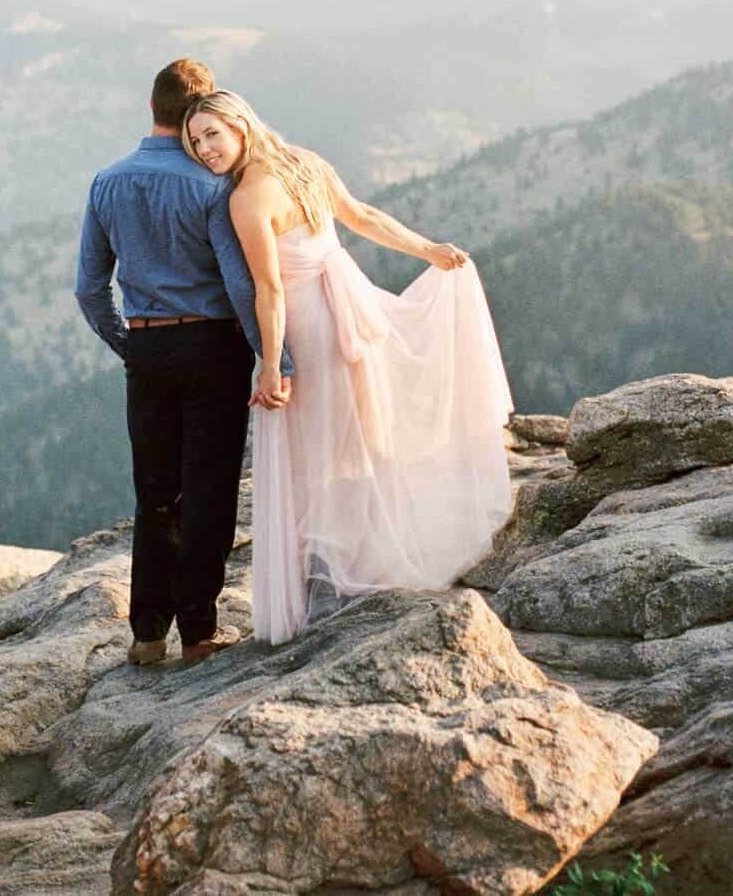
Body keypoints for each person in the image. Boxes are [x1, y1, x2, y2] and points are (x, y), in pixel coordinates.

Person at [182, 90, 513, 645]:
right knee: (353, 439)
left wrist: (270, 363)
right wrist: (427, 249)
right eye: (195, 141)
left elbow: (267, 289)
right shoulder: (305, 162)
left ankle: (333, 582)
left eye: (212, 134)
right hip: (349, 309)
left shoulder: (246, 198)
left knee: (312, 452)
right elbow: (362, 217)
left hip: (311, 325)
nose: (204, 149)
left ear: (240, 125)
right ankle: (365, 560)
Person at [75, 60, 292, 666]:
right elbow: (241, 285)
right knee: (209, 491)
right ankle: (197, 633)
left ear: (152, 106)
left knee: (155, 491)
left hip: (148, 350)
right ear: (201, 113)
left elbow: (89, 290)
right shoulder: (212, 187)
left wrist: (131, 344)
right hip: (213, 347)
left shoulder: (106, 182)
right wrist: (276, 358)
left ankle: (146, 635)